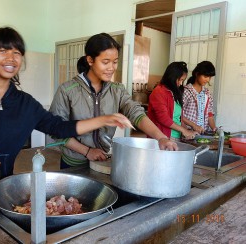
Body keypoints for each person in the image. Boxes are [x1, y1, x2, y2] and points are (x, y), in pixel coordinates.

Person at [0, 27, 134, 188]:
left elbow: (59, 128)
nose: (11, 58)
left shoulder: (25, 103)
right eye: (2, 51)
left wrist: (104, 119)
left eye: (17, 52)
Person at [49, 33, 177, 169]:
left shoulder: (117, 90)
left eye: (115, 62)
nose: (112, 67)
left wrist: (161, 137)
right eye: (105, 62)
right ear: (90, 60)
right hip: (73, 163)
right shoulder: (68, 90)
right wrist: (87, 151)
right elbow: (56, 131)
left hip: (101, 160)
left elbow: (135, 113)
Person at [148, 61, 198, 141]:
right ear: (172, 77)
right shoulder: (159, 92)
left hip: (176, 136)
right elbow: (163, 118)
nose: (181, 84)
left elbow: (178, 117)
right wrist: (184, 130)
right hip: (163, 137)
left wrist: (187, 131)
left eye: (183, 80)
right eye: (180, 80)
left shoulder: (175, 92)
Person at [182, 61, 217, 134]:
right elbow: (179, 115)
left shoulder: (207, 94)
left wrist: (214, 128)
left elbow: (209, 114)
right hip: (187, 133)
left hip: (202, 133)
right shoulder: (186, 91)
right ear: (197, 74)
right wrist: (194, 125)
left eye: (209, 77)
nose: (207, 80)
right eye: (205, 76)